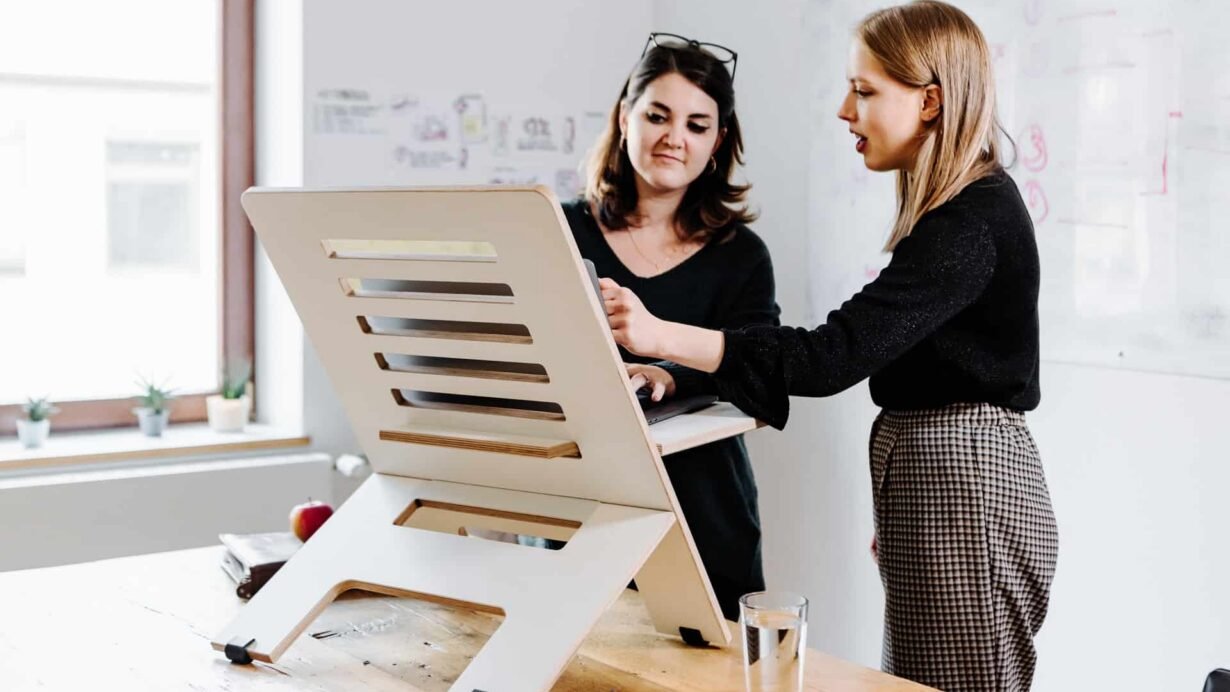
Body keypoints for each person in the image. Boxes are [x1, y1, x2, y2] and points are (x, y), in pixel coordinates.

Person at [597, 3, 1058, 690]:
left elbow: (827, 359)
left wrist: (658, 336)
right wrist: (903, 504)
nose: (846, 110)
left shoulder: (969, 223)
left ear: (930, 101)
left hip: (960, 479)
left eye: (865, 91)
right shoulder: (955, 216)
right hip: (937, 480)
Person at [559, 32, 781, 622]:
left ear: (718, 143)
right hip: (581, 514)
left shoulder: (742, 256)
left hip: (706, 515)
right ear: (624, 117)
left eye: (696, 124)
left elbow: (760, 377)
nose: (673, 138)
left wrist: (666, 372)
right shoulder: (558, 230)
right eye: (657, 115)